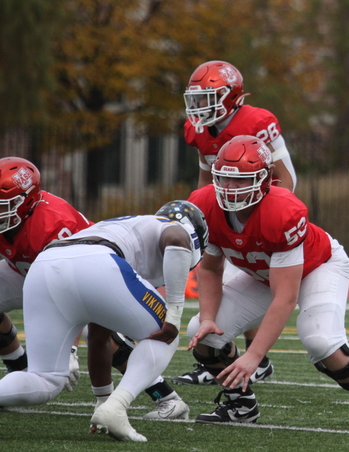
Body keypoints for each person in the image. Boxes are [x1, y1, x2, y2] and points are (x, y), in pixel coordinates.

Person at [186, 135, 349, 432]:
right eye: (224, 180)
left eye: (240, 181)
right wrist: (209, 318)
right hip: (262, 274)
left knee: (321, 341)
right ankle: (241, 404)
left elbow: (285, 297)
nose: (230, 189)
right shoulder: (204, 203)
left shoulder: (282, 211)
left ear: (265, 179)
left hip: (318, 267)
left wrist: (254, 355)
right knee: (203, 332)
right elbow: (210, 269)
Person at [0, 200, 208, 442]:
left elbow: (100, 339)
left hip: (44, 267)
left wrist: (102, 402)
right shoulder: (172, 228)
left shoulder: (130, 231)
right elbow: (177, 238)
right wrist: (174, 312)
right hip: (97, 262)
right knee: (167, 334)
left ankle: (111, 408)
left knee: (45, 379)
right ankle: (119, 406)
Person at [174, 59, 296, 386]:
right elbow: (205, 182)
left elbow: (287, 179)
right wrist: (200, 215)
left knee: (248, 286)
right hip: (223, 215)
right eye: (195, 99)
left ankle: (253, 358)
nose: (198, 107)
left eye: (206, 98)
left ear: (231, 97)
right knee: (226, 286)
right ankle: (221, 356)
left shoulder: (256, 121)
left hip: (255, 214)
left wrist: (254, 213)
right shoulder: (199, 130)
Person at [0, 157, 91, 387]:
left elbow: (77, 288)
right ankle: (20, 368)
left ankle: (163, 395)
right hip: (26, 273)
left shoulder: (54, 224)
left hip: (87, 281)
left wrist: (71, 348)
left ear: (26, 201)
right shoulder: (11, 218)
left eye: (2, 204)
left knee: (109, 337)